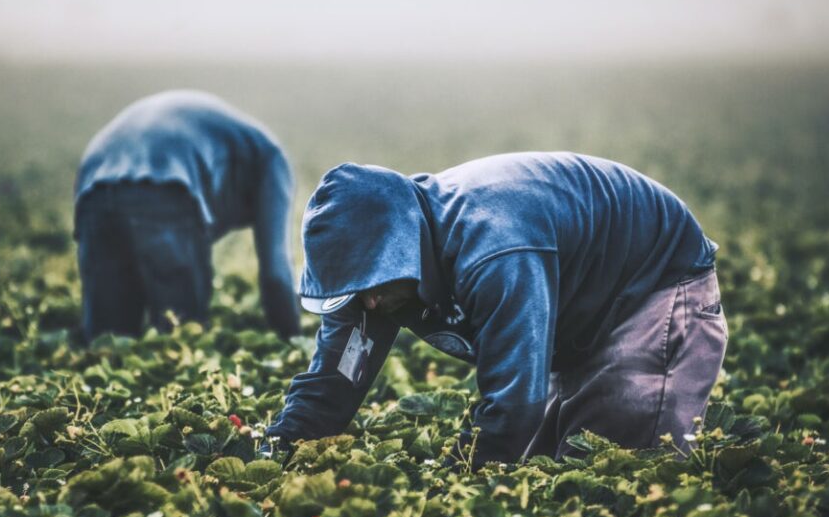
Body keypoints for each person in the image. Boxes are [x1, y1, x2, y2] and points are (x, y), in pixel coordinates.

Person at [265, 152, 728, 468]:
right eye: (353, 290)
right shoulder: (375, 283)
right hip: (575, 304)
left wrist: (453, 478)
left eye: (373, 284)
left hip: (654, 283)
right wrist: (276, 451)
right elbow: (334, 381)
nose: (367, 303)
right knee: (553, 466)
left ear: (402, 248)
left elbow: (514, 402)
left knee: (622, 465)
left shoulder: (494, 249)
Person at [74, 90, 300, 342]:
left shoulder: (239, 148)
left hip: (93, 183)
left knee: (107, 342)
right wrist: (292, 338)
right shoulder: (274, 162)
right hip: (165, 180)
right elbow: (276, 273)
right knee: (180, 336)